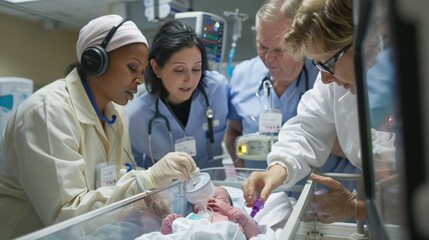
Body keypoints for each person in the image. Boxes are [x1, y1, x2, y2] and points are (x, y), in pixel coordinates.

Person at [0, 15, 196, 239]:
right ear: (96, 60)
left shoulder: (115, 114)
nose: (139, 80)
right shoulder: (48, 112)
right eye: (132, 67)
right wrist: (144, 183)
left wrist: (150, 194)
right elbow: (66, 218)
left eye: (142, 72)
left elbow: (114, 177)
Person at [242, 0, 395, 223]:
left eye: (326, 64)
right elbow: (307, 130)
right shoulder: (335, 83)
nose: (323, 78)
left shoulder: (409, 79)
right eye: (317, 66)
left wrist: (357, 208)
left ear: (363, 48)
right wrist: (275, 171)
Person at [225, 0, 358, 191]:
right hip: (273, 196)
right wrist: (277, 169)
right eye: (262, 47)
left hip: (330, 195)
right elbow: (306, 132)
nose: (269, 58)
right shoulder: (243, 74)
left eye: (280, 50)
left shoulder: (332, 69)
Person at [126, 20, 230, 170]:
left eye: (196, 69)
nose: (190, 79)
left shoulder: (218, 91)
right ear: (156, 68)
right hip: (164, 191)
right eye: (179, 70)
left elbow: (236, 129)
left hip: (214, 188)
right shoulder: (136, 117)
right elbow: (133, 170)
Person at [139, 186, 266, 240]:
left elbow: (257, 236)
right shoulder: (191, 218)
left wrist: (246, 221)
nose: (211, 199)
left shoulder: (234, 220)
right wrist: (168, 230)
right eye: (203, 199)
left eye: (220, 198)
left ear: (231, 207)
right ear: (195, 208)